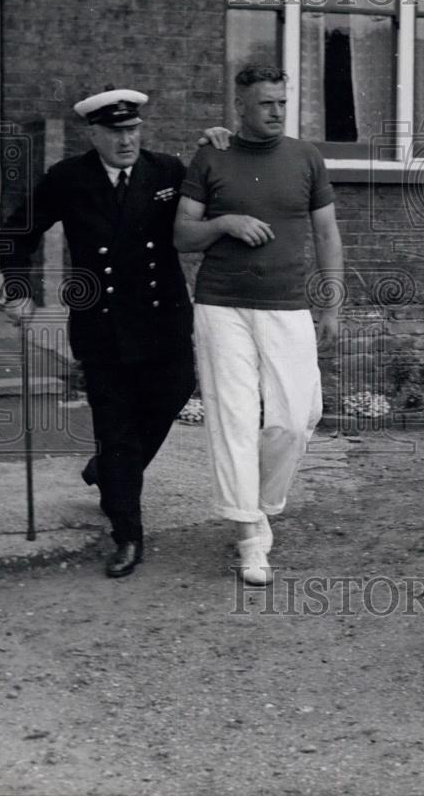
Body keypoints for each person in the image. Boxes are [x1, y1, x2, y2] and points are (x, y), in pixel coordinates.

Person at [0, 86, 230, 577]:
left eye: (133, 130)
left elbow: (217, 196)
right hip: (103, 325)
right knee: (116, 427)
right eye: (115, 132)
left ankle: (107, 472)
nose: (127, 140)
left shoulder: (166, 170)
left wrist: (218, 147)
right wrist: (18, 289)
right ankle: (126, 532)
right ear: (94, 133)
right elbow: (19, 231)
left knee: (172, 395)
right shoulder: (68, 178)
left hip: (163, 316)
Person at [174, 63, 343, 586]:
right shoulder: (212, 156)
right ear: (241, 106)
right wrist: (224, 222)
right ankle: (249, 534)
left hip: (288, 304)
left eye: (282, 102)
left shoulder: (305, 158)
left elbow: (328, 234)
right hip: (222, 304)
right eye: (266, 103)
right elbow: (182, 234)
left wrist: (332, 303)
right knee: (235, 418)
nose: (276, 112)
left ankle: (262, 505)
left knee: (295, 417)